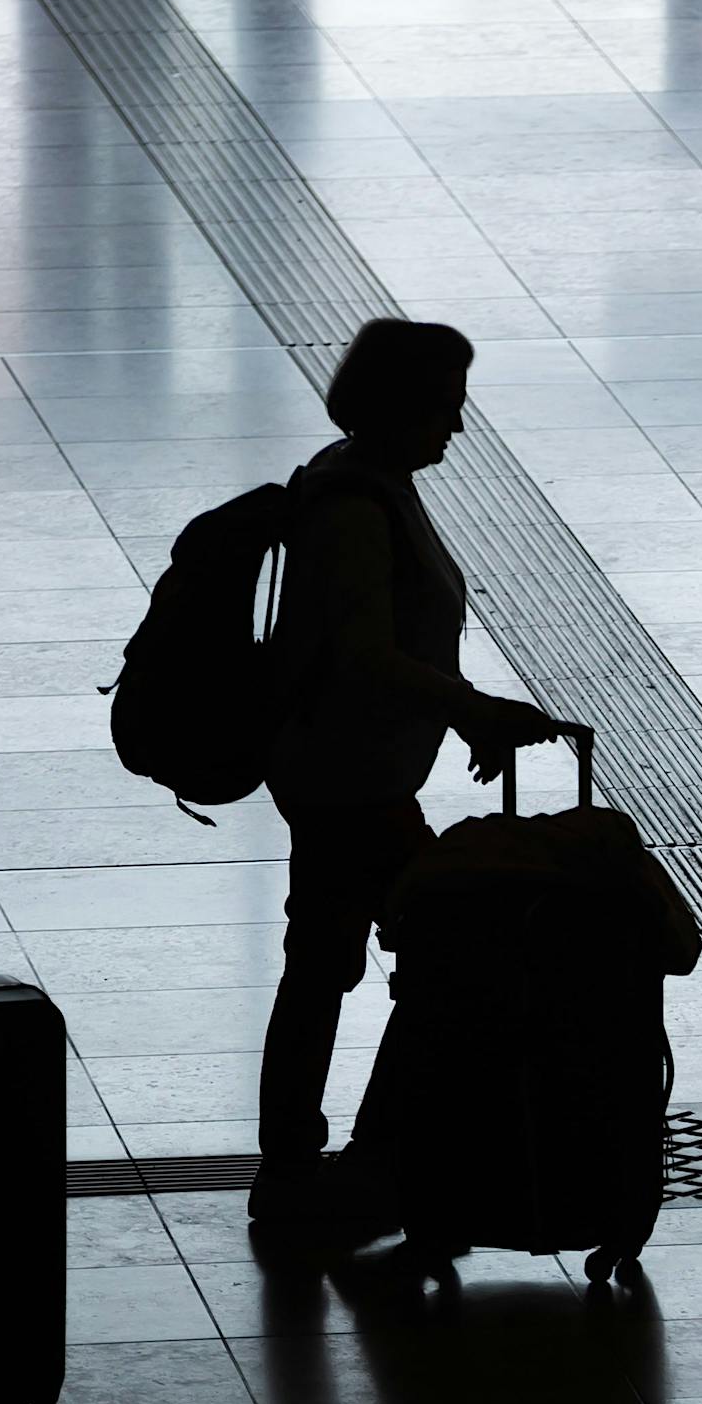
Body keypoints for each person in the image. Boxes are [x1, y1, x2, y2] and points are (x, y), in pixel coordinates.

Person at [249, 319, 559, 1230]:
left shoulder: (368, 483)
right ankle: (351, 1163)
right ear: (401, 408)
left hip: (356, 777)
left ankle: (329, 1163)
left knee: (344, 959)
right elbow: (363, 658)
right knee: (433, 949)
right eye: (444, 409)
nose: (456, 428)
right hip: (349, 786)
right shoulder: (353, 506)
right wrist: (470, 706)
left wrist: (456, 708)